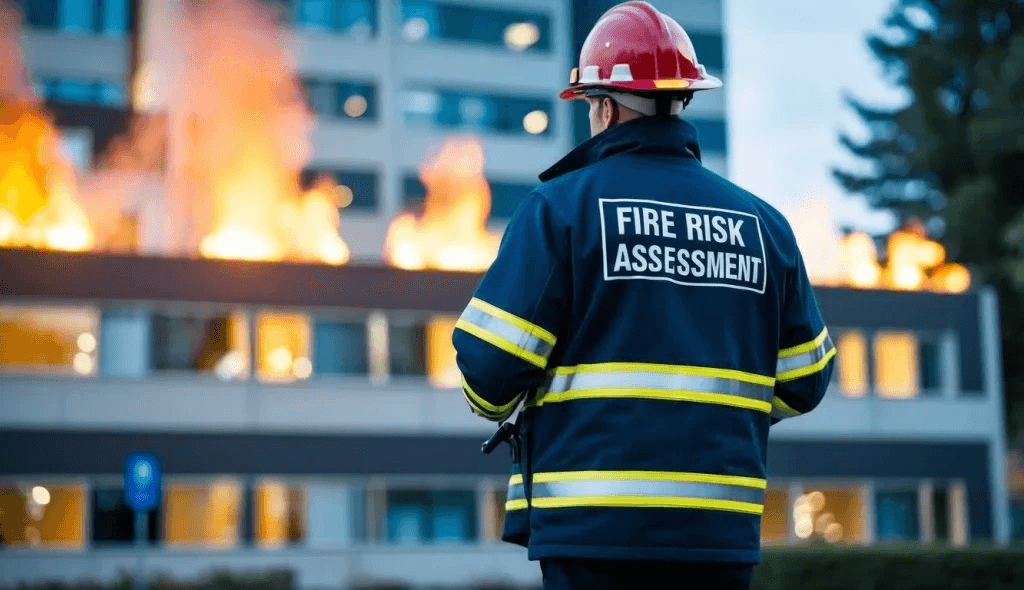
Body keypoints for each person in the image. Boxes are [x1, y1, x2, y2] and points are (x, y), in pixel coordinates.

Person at [452, 2, 836, 589]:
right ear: (682, 99)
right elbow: (804, 380)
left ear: (604, 107)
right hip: (719, 538)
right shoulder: (764, 226)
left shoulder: (560, 211)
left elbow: (488, 368)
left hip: (594, 535)